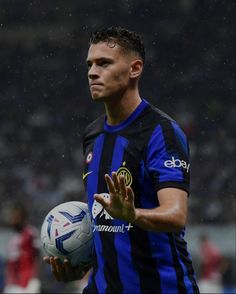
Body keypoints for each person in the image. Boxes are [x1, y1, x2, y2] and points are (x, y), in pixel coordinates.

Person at [44, 26, 199, 293]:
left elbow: (176, 215)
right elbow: (105, 220)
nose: (92, 72)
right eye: (90, 64)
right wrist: (81, 262)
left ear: (134, 69)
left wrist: (133, 214)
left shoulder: (161, 132)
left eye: (104, 63)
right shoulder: (92, 134)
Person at [3, 202, 41, 293]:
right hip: (12, 283)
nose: (13, 219)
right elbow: (10, 261)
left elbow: (37, 257)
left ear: (23, 217)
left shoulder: (31, 233)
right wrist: (8, 280)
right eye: (12, 216)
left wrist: (34, 279)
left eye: (16, 216)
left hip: (26, 282)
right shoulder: (10, 236)